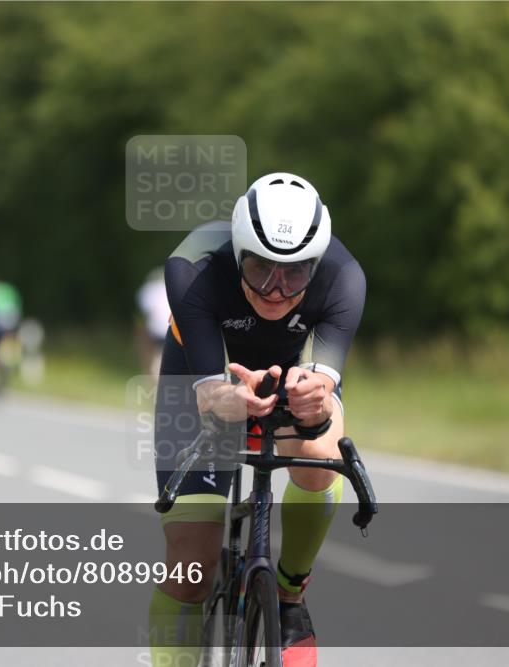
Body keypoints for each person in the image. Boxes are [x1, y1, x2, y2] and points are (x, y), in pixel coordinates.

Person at [149, 173, 366, 667]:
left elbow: (325, 383)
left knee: (320, 452)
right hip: (203, 378)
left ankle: (290, 594)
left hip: (287, 376)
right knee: (191, 562)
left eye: (294, 274)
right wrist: (223, 399)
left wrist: (315, 396)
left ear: (316, 265)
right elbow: (208, 395)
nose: (276, 288)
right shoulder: (193, 267)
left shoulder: (343, 276)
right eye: (261, 268)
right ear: (238, 252)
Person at [136, 267, 171, 376]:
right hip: (172, 328)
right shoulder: (173, 288)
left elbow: (145, 313)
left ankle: (157, 378)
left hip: (156, 329)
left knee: (156, 358)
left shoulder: (148, 290)